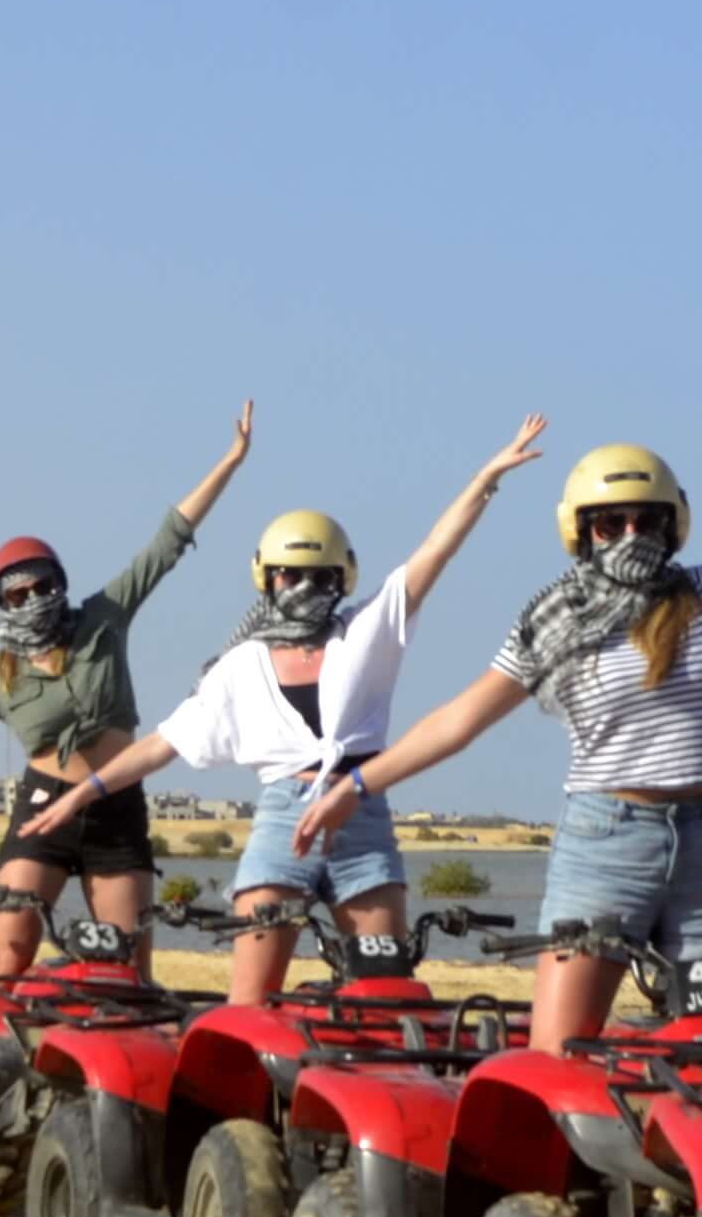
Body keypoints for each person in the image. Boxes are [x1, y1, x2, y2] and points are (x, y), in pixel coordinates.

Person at [294, 434, 702, 1053]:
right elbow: (462, 718)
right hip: (604, 845)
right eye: (610, 523)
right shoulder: (552, 622)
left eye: (647, 519)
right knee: (558, 1056)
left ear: (674, 526)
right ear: (583, 532)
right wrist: (359, 783)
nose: (629, 533)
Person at [32, 417, 547, 1003]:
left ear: (342, 576)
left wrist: (486, 479)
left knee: (384, 993)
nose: (302, 585)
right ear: (266, 578)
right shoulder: (239, 665)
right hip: (284, 818)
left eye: (317, 575)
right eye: (288, 573)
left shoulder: (364, 632)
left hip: (362, 813)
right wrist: (85, 791)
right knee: (250, 999)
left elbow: (435, 553)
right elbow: (162, 744)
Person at [0, 407, 255, 977]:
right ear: (1, 603)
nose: (33, 598)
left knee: (127, 967)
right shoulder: (1, 674)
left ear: (61, 582)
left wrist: (230, 461)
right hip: (42, 813)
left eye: (43, 585)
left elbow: (166, 544)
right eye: (18, 593)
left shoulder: (103, 620)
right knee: (9, 954)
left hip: (116, 807)